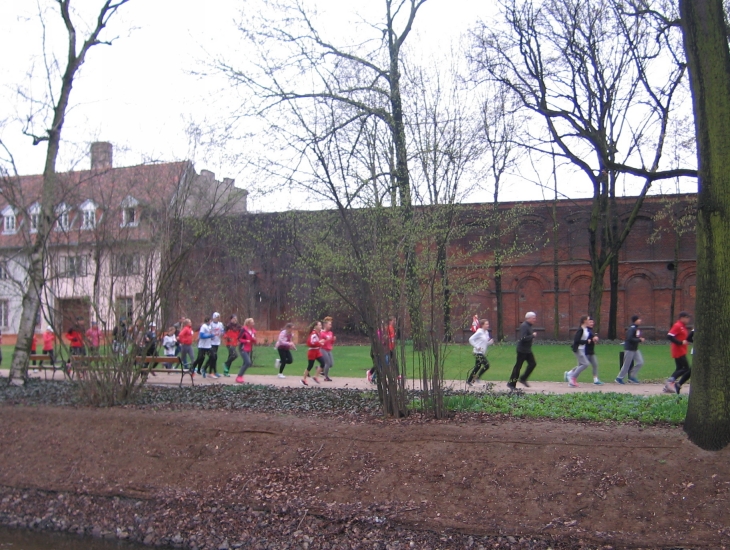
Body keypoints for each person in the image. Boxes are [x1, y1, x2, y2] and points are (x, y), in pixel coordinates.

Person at [565, 315, 603, 387]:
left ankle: (570, 376)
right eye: (588, 320)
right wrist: (586, 341)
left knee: (581, 365)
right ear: (584, 321)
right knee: (585, 364)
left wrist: (592, 340)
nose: (590, 321)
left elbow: (590, 337)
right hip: (578, 349)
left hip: (582, 349)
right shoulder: (581, 330)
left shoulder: (586, 329)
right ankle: (572, 379)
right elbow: (576, 340)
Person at [664, 312, 693, 394]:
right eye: (687, 318)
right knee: (686, 368)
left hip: (682, 350)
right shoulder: (678, 325)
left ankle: (668, 386)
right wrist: (680, 342)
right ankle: (670, 381)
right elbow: (669, 336)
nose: (688, 320)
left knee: (679, 368)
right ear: (682, 318)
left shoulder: (682, 326)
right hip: (678, 350)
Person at [508, 312, 538, 390]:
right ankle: (511, 384)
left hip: (527, 350)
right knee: (518, 367)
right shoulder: (524, 326)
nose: (535, 320)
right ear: (529, 318)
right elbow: (523, 338)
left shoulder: (529, 326)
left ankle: (523, 378)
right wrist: (532, 336)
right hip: (522, 350)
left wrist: (531, 338)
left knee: (532, 364)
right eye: (533, 318)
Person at [616, 315, 645, 384]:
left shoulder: (636, 328)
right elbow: (629, 338)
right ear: (635, 320)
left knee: (640, 362)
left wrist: (639, 339)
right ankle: (619, 378)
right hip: (629, 349)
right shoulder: (632, 328)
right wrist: (639, 340)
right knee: (627, 364)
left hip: (635, 349)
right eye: (639, 319)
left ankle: (632, 376)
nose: (640, 320)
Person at [467, 319, 493, 386]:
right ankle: (477, 378)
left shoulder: (486, 332)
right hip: (477, 352)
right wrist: (476, 346)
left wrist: (490, 342)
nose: (488, 325)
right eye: (486, 324)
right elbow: (471, 339)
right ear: (482, 325)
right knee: (486, 365)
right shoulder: (479, 332)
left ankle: (469, 381)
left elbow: (485, 343)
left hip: (482, 352)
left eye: (488, 324)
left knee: (477, 367)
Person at [301, 320, 324, 386]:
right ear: (315, 326)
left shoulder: (318, 332)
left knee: (323, 363)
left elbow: (323, 332)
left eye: (321, 325)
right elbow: (311, 343)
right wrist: (320, 343)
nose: (321, 326)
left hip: (317, 351)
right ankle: (304, 379)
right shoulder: (313, 333)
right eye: (319, 325)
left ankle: (315, 377)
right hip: (312, 352)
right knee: (310, 366)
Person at [235, 318, 256, 384]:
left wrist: (254, 340)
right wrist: (246, 341)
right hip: (243, 348)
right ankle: (239, 376)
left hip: (248, 348)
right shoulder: (244, 330)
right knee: (248, 362)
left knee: (245, 363)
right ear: (248, 323)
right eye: (252, 322)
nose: (253, 324)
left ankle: (240, 376)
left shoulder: (253, 331)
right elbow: (239, 338)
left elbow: (253, 340)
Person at [204, 312, 224, 378]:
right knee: (213, 357)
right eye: (217, 317)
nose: (218, 318)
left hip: (217, 342)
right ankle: (211, 371)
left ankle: (205, 368)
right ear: (214, 317)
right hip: (211, 343)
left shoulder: (220, 324)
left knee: (213, 358)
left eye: (219, 317)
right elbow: (208, 331)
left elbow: (222, 331)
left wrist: (222, 333)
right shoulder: (211, 324)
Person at [320, 316, 336, 382]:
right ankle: (326, 377)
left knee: (331, 364)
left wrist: (333, 340)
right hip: (323, 349)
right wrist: (326, 340)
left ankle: (320, 368)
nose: (330, 326)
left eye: (331, 324)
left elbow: (331, 342)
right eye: (329, 324)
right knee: (328, 363)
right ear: (325, 325)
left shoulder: (330, 333)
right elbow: (320, 342)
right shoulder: (321, 333)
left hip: (329, 349)